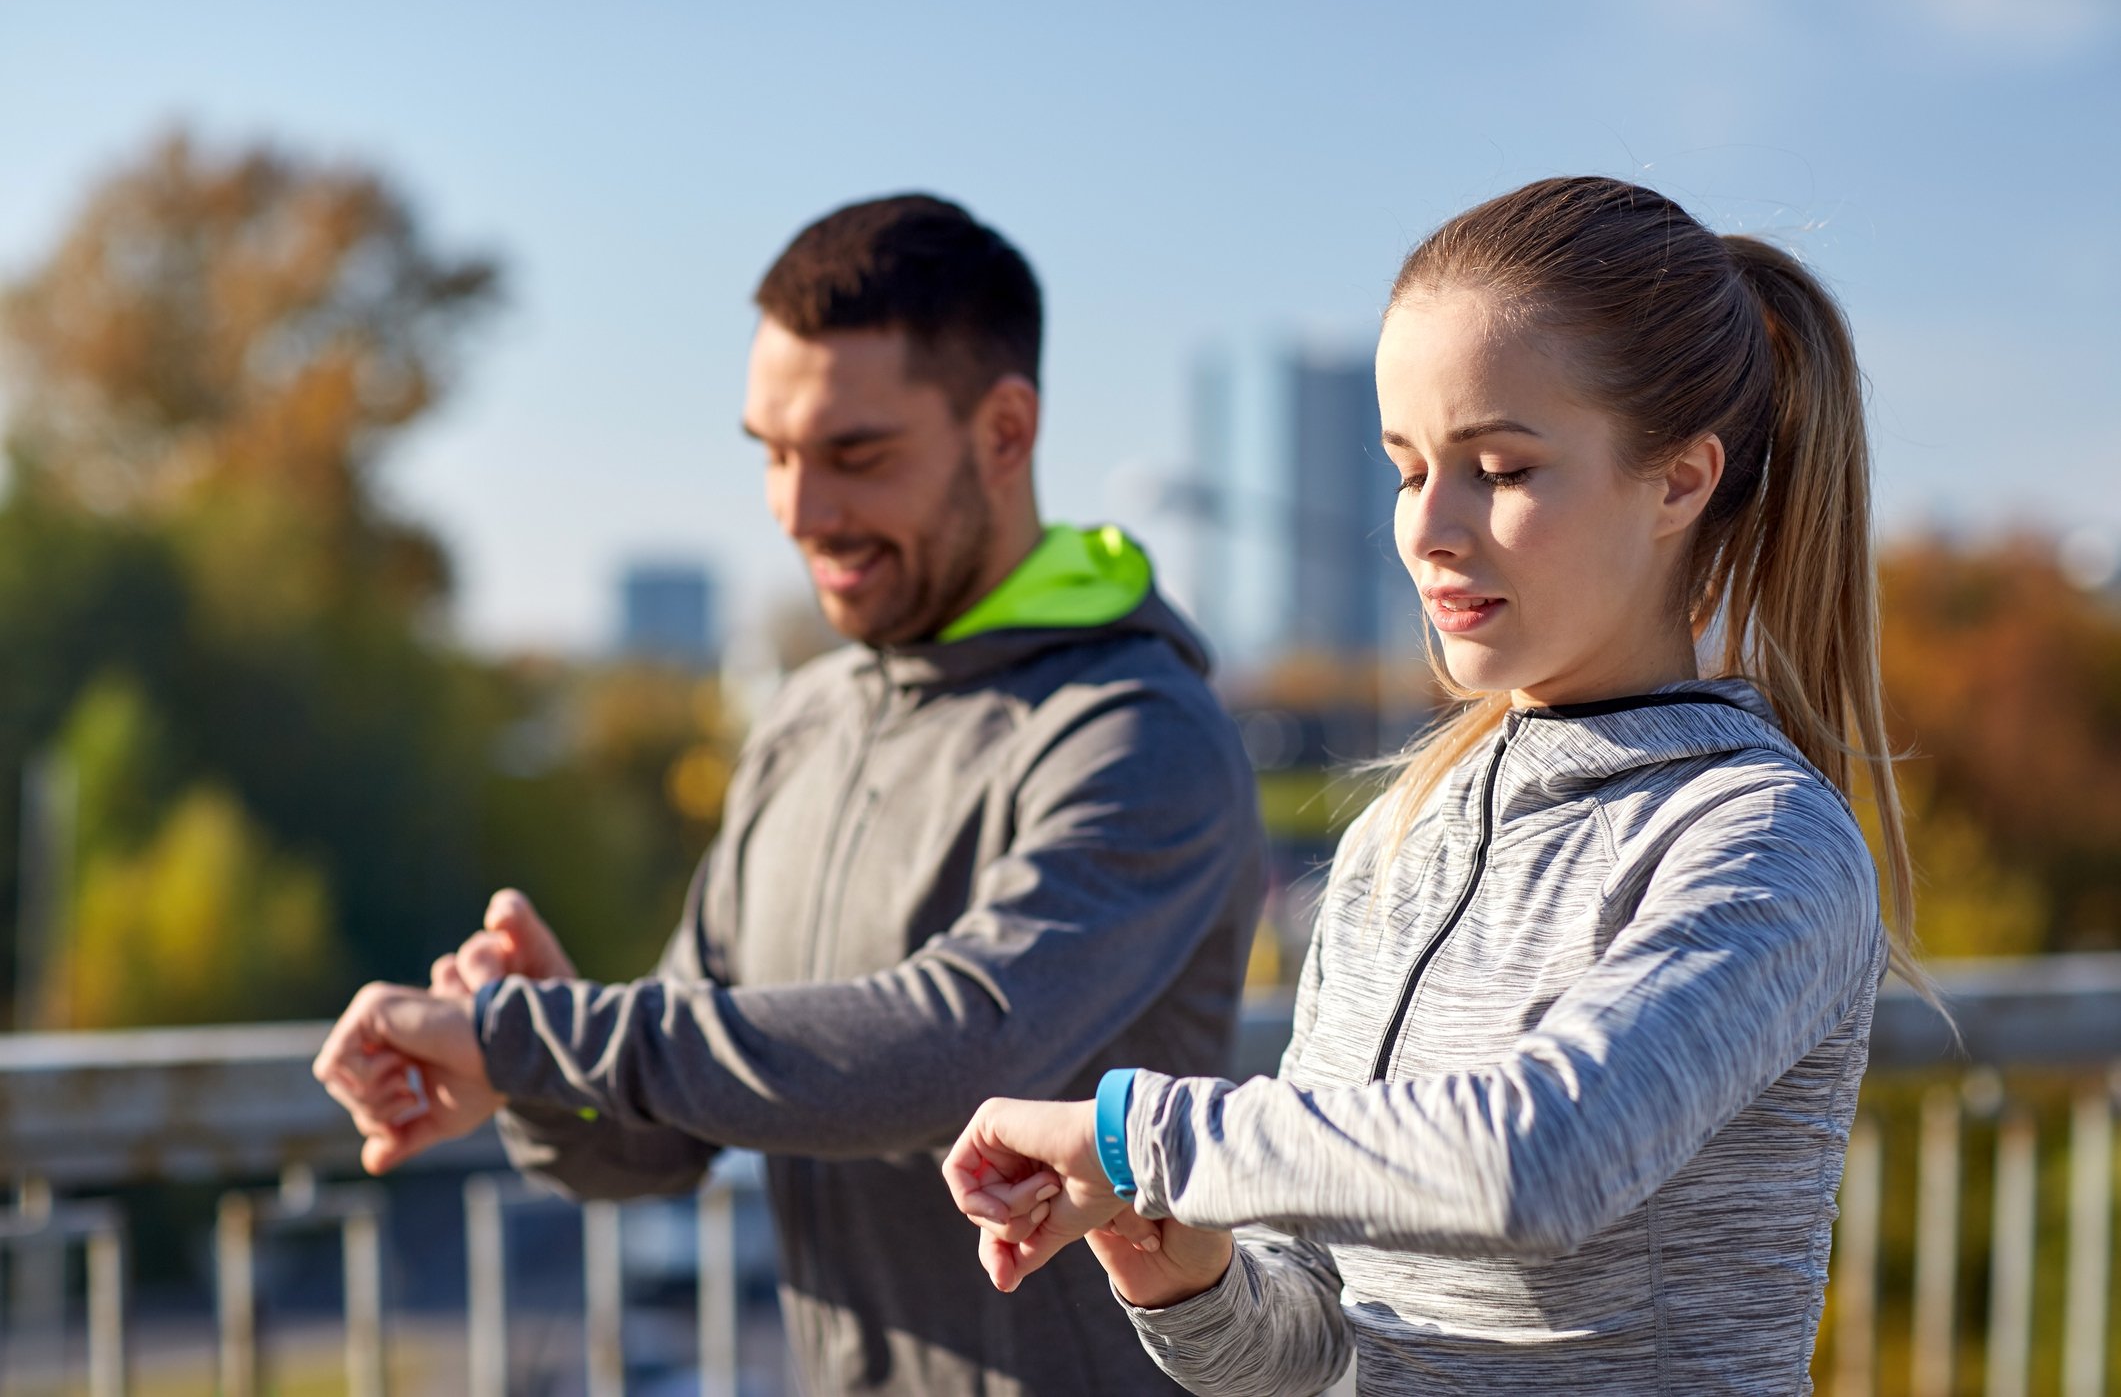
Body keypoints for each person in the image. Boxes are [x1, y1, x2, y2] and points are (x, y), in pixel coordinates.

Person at [945, 175, 1941, 1396]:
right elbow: (1309, 1343)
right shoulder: (1397, 838)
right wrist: (1189, 1276)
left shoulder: (1763, 837)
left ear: (1680, 480)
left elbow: (1542, 1157)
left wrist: (1141, 1135)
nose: (1427, 528)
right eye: (1408, 468)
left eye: (1501, 469)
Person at [313, 193, 1266, 1397]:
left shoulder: (1138, 731)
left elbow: (956, 1050)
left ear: (1004, 431)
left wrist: (540, 1035)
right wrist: (542, 1071)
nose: (801, 511)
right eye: (771, 451)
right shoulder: (805, 723)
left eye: (855, 455)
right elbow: (656, 1148)